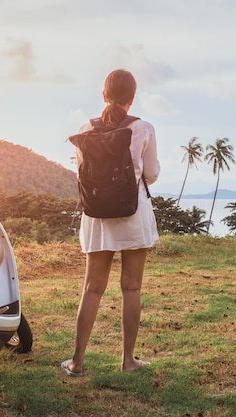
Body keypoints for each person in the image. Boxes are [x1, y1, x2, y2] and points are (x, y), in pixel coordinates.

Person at [61, 69, 161, 376]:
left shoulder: (84, 128)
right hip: (133, 214)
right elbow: (152, 174)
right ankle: (128, 360)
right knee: (131, 289)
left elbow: (82, 173)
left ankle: (76, 362)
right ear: (132, 97)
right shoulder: (143, 128)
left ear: (104, 95)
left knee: (92, 288)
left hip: (97, 217)